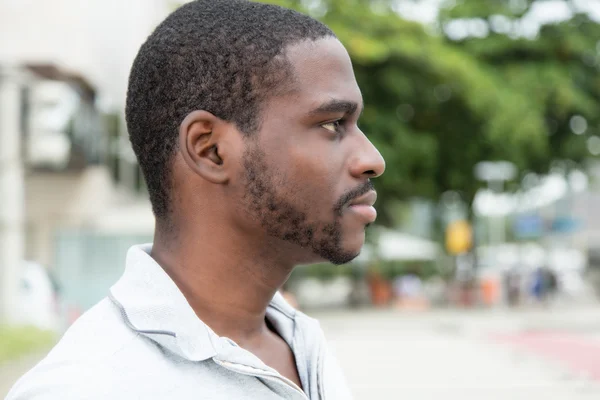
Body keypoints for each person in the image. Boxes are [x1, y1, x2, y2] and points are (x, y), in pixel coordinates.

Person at [6, 1, 385, 399]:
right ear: (210, 150)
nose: (373, 160)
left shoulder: (302, 345)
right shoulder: (85, 387)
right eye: (330, 124)